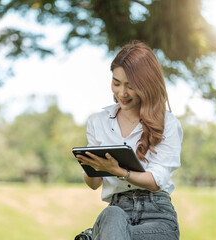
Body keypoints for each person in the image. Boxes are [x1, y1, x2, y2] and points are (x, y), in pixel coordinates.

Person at [75, 41, 183, 240]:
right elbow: (93, 184)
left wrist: (119, 172)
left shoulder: (167, 123)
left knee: (113, 234)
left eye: (130, 86)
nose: (121, 93)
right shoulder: (98, 123)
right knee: (112, 215)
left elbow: (155, 182)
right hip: (117, 211)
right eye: (116, 83)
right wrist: (92, 167)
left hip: (157, 217)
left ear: (146, 86)